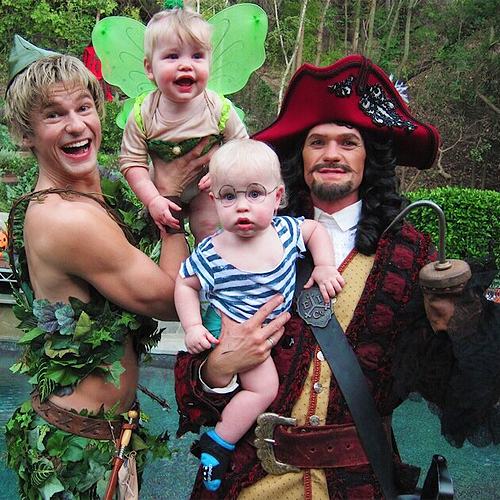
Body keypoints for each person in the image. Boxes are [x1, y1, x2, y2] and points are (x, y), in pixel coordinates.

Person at [174, 55, 500, 499]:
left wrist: (463, 328)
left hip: (359, 483)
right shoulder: (236, 239)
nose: (331, 154)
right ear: (299, 157)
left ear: (369, 157)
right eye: (317, 142)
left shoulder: (410, 254)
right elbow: (194, 381)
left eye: (348, 142)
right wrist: (219, 366)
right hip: (250, 479)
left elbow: (444, 383)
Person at [4, 36, 213, 499]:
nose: (76, 125)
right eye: (53, 115)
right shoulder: (66, 219)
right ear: (25, 133)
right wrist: (170, 200)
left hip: (108, 437)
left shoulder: (96, 196)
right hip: (77, 454)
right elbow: (170, 299)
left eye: (84, 107)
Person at [175, 138, 344, 491]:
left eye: (254, 194)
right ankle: (219, 442)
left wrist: (325, 265)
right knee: (264, 388)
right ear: (213, 200)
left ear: (277, 196)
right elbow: (185, 283)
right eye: (229, 196)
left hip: (275, 331)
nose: (242, 207)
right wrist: (191, 325)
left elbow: (315, 230)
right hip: (237, 332)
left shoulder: (285, 231)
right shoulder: (212, 252)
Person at [119, 6, 248, 241]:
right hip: (162, 189)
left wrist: (223, 173)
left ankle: (208, 259)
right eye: (172, 56)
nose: (186, 65)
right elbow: (131, 162)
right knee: (165, 231)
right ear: (149, 68)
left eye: (197, 56)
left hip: (204, 188)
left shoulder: (217, 108)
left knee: (206, 225)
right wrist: (152, 199)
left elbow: (242, 147)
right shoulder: (143, 113)